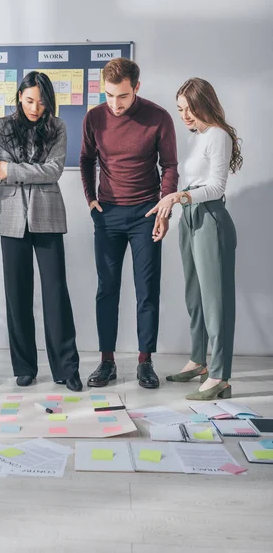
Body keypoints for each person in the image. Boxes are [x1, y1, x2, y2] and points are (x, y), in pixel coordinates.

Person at [80, 58, 179, 389]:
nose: (115, 104)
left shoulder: (159, 117)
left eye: (122, 96)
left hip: (146, 214)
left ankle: (145, 361)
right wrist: (89, 198)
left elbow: (169, 166)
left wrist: (163, 209)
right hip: (107, 214)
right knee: (106, 289)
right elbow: (86, 158)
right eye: (109, 96)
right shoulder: (94, 117)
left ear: (136, 88)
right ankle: (106, 362)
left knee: (146, 290)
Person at [146, 77, 242, 400]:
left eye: (188, 108)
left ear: (204, 102)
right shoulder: (196, 137)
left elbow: (216, 188)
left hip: (211, 217)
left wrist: (177, 198)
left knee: (216, 301)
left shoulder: (218, 136)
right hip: (190, 217)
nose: (184, 115)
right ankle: (199, 360)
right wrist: (174, 205)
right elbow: (190, 183)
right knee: (195, 295)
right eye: (180, 109)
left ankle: (219, 376)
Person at [0, 71, 82, 392]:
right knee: (17, 294)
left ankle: (67, 368)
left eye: (41, 102)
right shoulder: (3, 127)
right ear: (19, 96)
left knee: (56, 293)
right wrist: (21, 172)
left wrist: (14, 171)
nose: (35, 108)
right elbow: (2, 171)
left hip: (47, 215)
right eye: (29, 100)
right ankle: (25, 366)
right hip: (11, 216)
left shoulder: (58, 127)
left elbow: (54, 170)